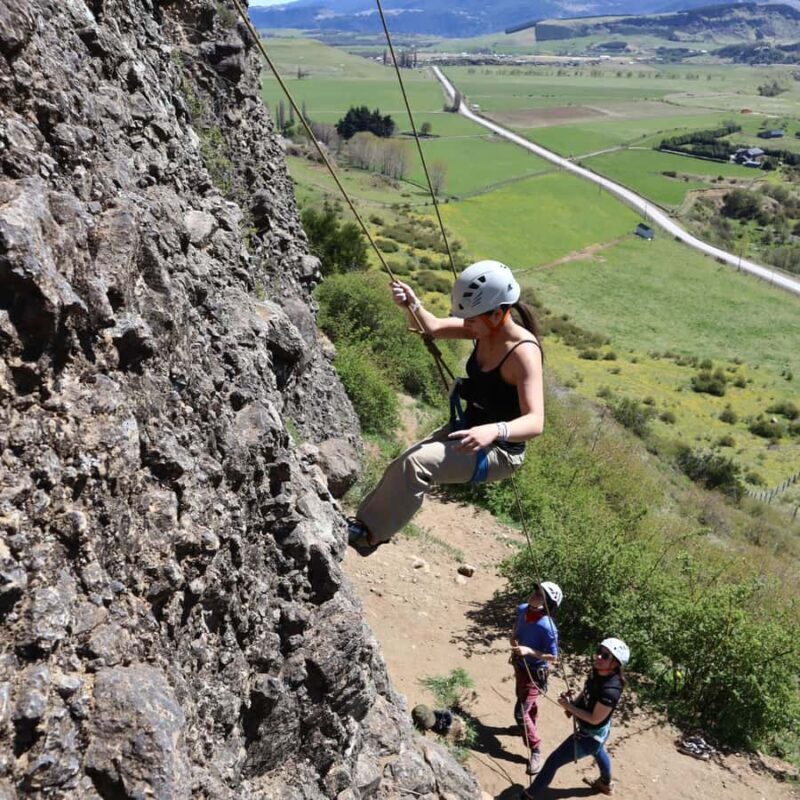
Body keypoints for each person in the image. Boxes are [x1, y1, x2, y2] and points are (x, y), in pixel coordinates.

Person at [347, 260, 544, 554]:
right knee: (402, 464)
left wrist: (494, 431)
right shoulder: (482, 329)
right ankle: (362, 525)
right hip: (467, 429)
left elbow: (535, 421)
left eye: (472, 320)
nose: (467, 326)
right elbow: (433, 327)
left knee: (417, 465)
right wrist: (412, 305)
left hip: (500, 451)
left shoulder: (523, 353)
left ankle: (369, 536)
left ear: (498, 314)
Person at [521, 637, 630, 798]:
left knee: (554, 761)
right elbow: (587, 692)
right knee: (598, 751)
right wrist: (572, 703)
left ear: (615, 664)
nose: (598, 656)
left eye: (605, 656)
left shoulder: (610, 691)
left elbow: (594, 719)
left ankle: (528, 796)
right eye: (599, 651)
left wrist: (569, 707)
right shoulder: (598, 672)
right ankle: (605, 784)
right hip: (598, 732)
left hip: (591, 735)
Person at [510, 581, 562, 775]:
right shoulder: (522, 609)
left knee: (520, 713)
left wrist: (529, 651)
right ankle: (526, 726)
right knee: (523, 699)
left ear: (548, 603)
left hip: (534, 673)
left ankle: (536, 750)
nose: (534, 595)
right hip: (520, 666)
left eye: (540, 595)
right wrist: (514, 638)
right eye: (536, 591)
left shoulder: (548, 627)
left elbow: (553, 657)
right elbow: (517, 628)